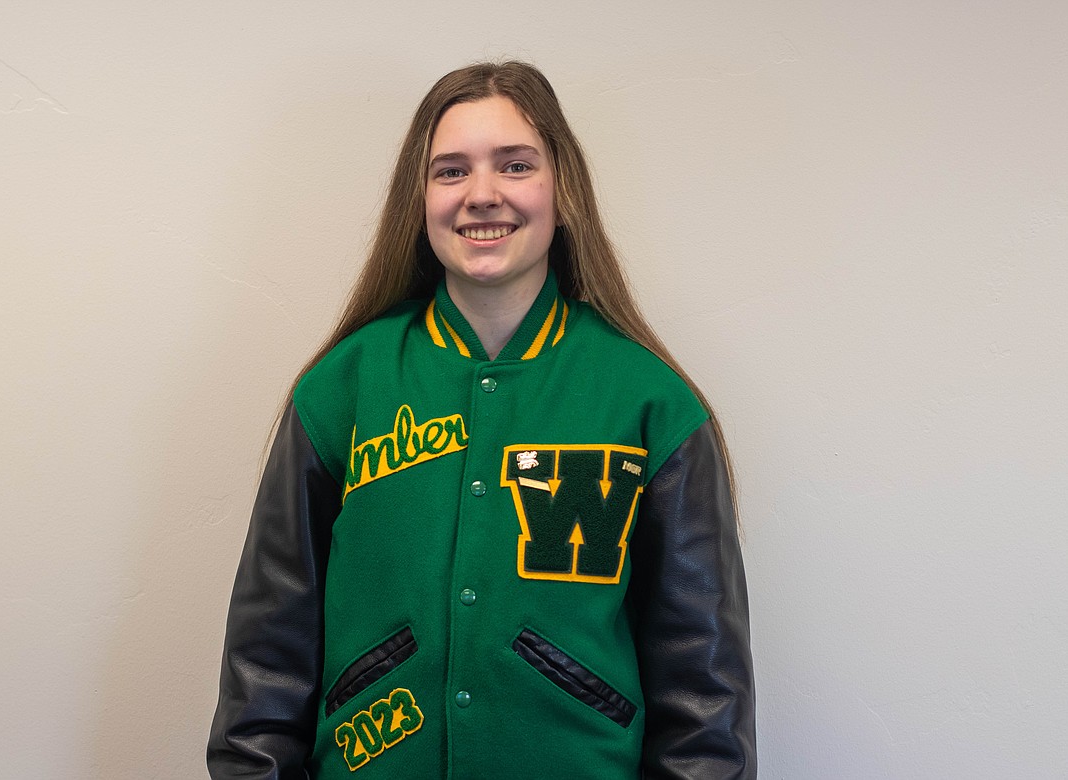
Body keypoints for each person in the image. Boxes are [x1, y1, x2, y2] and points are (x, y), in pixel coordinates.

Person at [207, 61, 755, 779]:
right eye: (450, 171)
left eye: (516, 164)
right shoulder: (341, 388)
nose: (482, 194)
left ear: (564, 193)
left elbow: (704, 701)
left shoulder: (651, 404)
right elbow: (264, 664)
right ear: (421, 199)